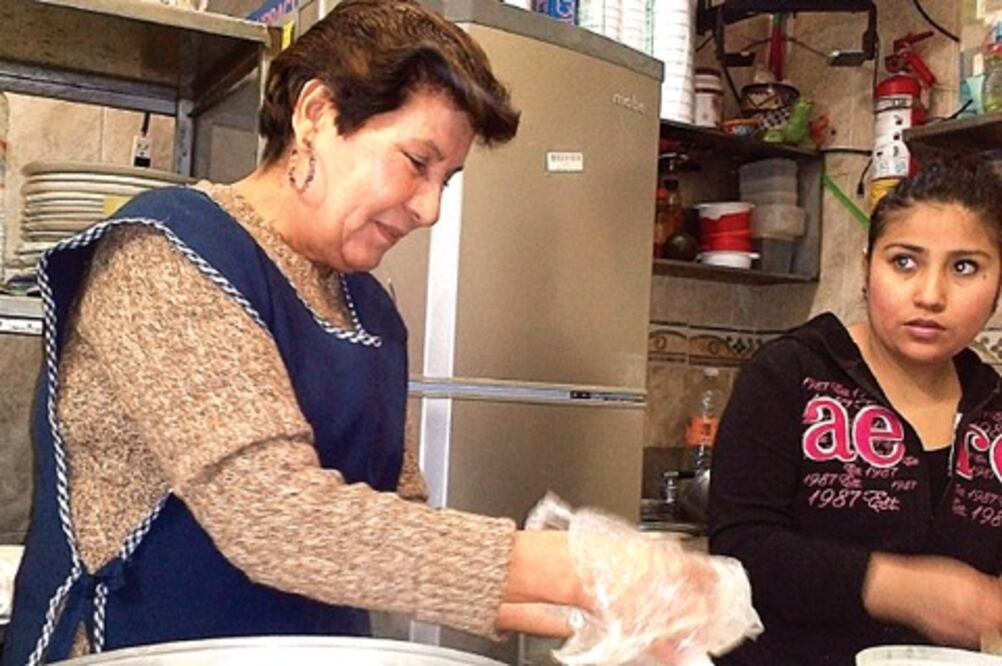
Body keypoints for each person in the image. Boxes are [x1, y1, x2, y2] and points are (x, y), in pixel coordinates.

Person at [2, 1, 724, 663]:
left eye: (449, 179)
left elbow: (394, 538)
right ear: (316, 113)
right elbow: (274, 518)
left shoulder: (368, 310)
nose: (431, 208)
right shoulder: (167, 255)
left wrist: (610, 615)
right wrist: (580, 566)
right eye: (417, 163)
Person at [708, 158, 1002, 665]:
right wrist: (901, 588)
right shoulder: (790, 375)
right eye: (904, 261)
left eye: (965, 267)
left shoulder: (994, 407)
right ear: (867, 266)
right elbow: (739, 553)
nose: (931, 295)